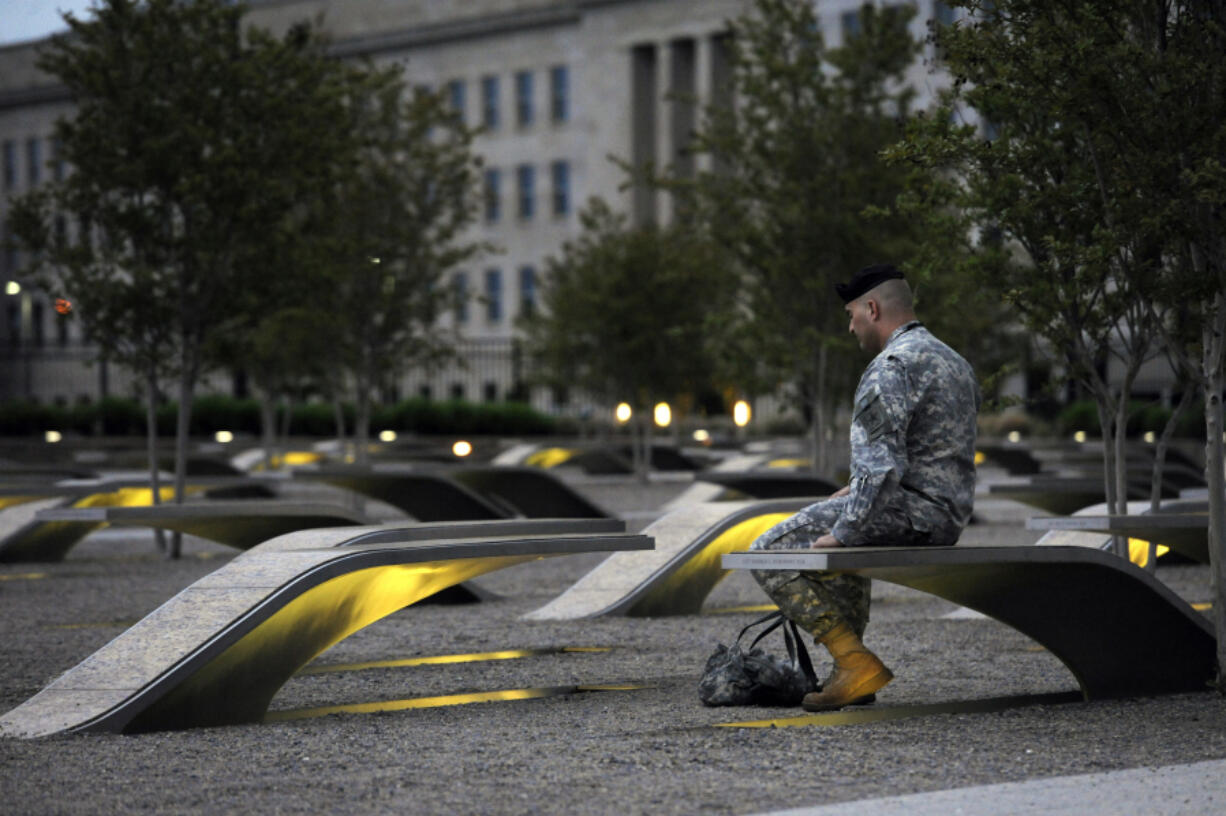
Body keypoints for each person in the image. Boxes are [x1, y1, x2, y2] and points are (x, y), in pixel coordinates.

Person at [750, 263, 980, 711]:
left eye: (852, 314)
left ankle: (852, 661)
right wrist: (852, 497)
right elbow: (931, 451)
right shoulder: (953, 361)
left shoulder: (889, 367)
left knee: (767, 551)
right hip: (944, 517)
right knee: (847, 532)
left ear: (872, 308)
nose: (850, 325)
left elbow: (880, 469)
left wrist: (846, 528)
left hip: (907, 512)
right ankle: (853, 673)